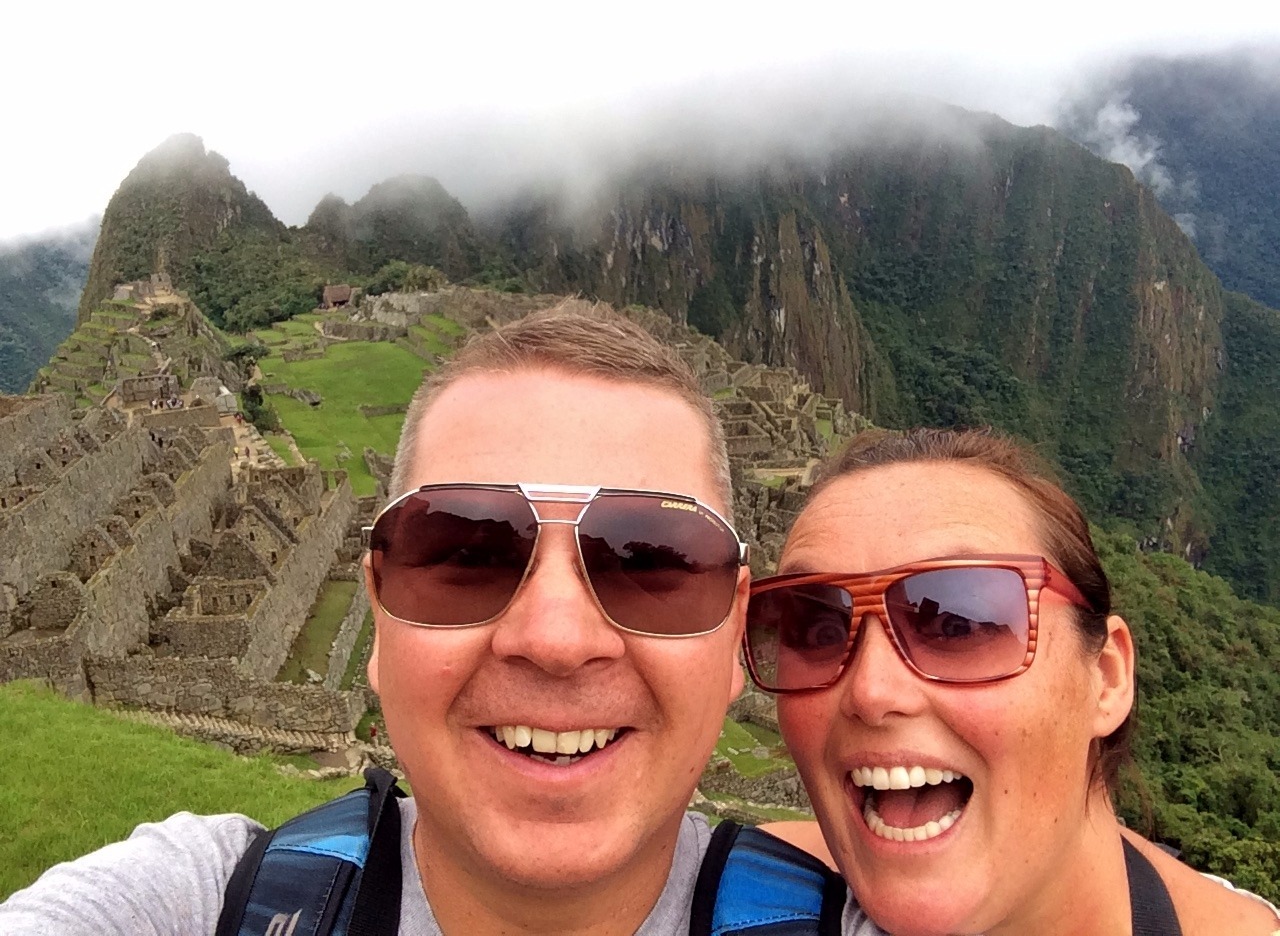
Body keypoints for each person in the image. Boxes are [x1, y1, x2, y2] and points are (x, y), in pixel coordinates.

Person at [0, 302, 754, 935]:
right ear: (377, 611)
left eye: (650, 563)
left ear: (736, 636)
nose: (556, 640)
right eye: (467, 558)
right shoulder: (199, 902)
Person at [742, 427, 1280, 936]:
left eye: (959, 624)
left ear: (1106, 677)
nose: (871, 692)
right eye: (819, 630)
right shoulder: (736, 892)